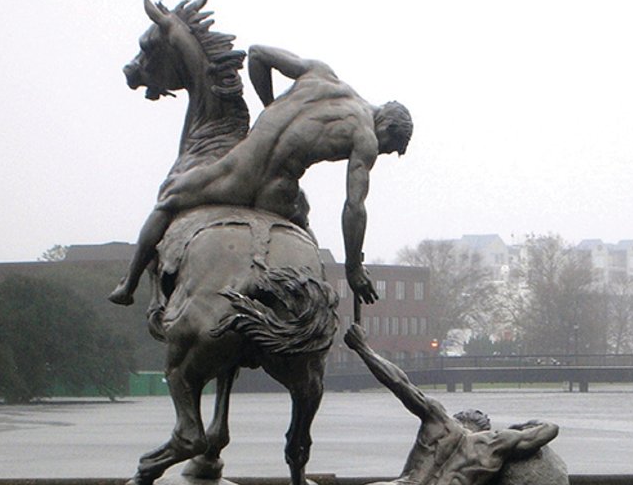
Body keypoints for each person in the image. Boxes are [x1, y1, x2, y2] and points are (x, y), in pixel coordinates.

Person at [189, 324, 558, 485]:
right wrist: (520, 428)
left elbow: (398, 382)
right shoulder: (494, 445)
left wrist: (362, 347)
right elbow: (547, 431)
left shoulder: (438, 420)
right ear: (485, 428)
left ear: (460, 418)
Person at [109, 44, 412, 307]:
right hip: (276, 195)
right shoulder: (366, 137)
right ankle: (316, 291)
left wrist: (271, 108)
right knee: (303, 225)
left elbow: (256, 54)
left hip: (236, 172)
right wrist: (353, 269)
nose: (381, 152)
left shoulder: (320, 73)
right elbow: (354, 206)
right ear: (386, 128)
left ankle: (129, 284)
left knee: (169, 199)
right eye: (388, 149)